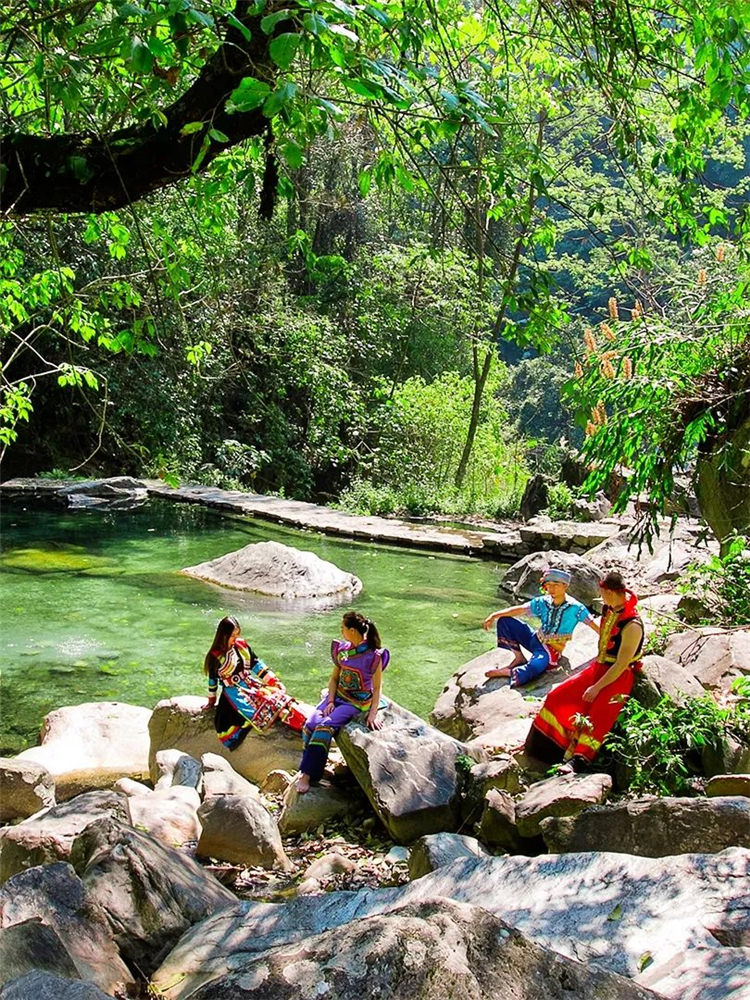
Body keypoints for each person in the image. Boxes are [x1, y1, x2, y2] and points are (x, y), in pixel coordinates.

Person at [524, 570, 645, 772]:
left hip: (619, 675)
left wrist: (597, 688)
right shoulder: (610, 609)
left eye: (603, 594)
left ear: (611, 592)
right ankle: (539, 751)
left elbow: (621, 664)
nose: (601, 598)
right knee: (557, 696)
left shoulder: (632, 625)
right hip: (599, 667)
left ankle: (579, 760)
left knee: (599, 714)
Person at [295, 610, 389, 794]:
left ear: (352, 630)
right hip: (337, 697)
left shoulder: (374, 656)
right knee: (310, 724)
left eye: (342, 627)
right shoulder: (343, 650)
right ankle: (312, 768)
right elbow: (333, 679)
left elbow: (377, 688)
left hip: (354, 703)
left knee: (324, 727)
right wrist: (330, 700)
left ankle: (307, 775)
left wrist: (372, 713)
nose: (341, 631)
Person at [482, 567, 599, 687]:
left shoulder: (576, 608)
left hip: (549, 651)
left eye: (556, 585)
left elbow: (595, 626)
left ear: (565, 586)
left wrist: (608, 648)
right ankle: (519, 658)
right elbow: (521, 609)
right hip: (534, 638)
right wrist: (494, 615)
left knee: (536, 666)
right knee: (504, 621)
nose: (551, 589)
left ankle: (510, 673)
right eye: (548, 585)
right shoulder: (543, 601)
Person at [204, 616, 306, 750]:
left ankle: (306, 725)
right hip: (233, 692)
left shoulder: (241, 646)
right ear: (223, 635)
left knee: (279, 700)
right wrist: (211, 700)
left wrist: (273, 680)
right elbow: (213, 681)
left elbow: (255, 664)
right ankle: (303, 730)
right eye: (232, 635)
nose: (235, 638)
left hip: (250, 684)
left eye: (237, 634)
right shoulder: (216, 656)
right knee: (267, 710)